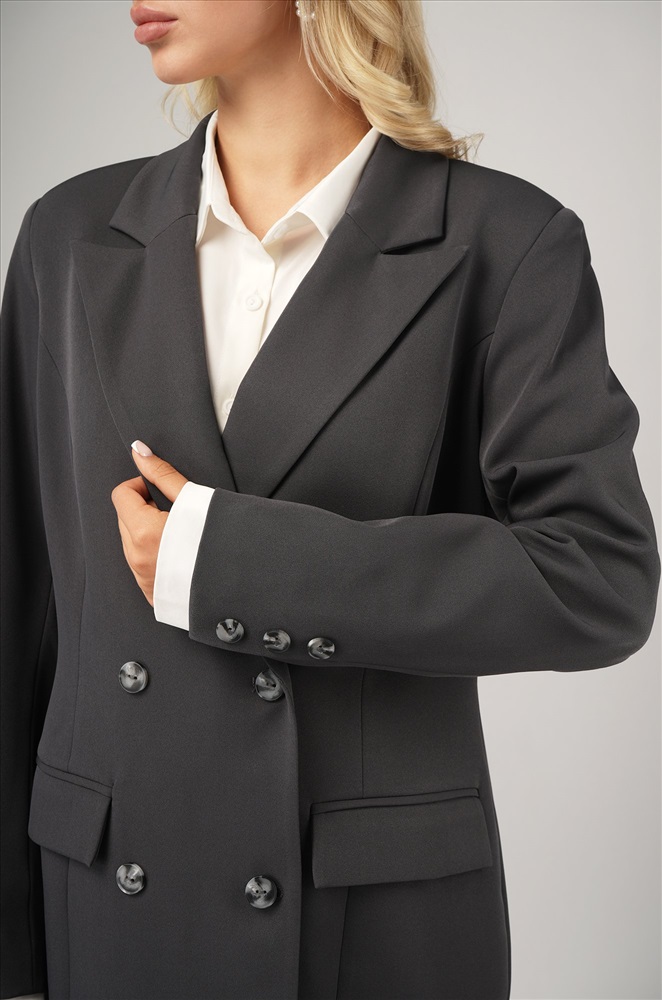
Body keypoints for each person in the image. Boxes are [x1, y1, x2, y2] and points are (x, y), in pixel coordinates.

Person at [1, 1, 659, 998]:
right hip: (106, 903)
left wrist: (229, 561)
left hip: (366, 925)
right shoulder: (66, 236)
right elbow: (19, 613)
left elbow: (598, 578)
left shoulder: (507, 241)